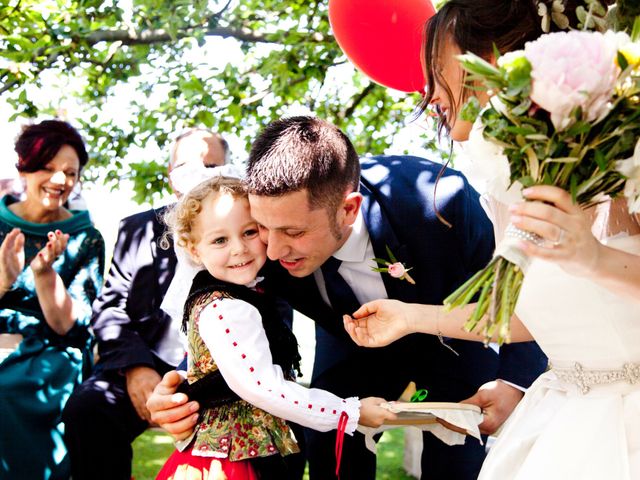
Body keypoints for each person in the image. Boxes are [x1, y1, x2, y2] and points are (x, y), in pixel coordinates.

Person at [148, 116, 548, 479]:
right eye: (264, 229)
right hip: (349, 346)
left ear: (348, 210)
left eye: (294, 233)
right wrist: (190, 386)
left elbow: (523, 289)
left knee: (458, 462)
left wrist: (515, 381)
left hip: (456, 341)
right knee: (330, 448)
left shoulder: (438, 199)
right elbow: (247, 320)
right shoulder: (256, 237)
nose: (271, 251)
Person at [343, 1, 640, 478]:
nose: (427, 86)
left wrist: (594, 257)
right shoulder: (501, 186)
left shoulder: (626, 155)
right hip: (562, 422)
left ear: (501, 61)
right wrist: (410, 318)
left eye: (438, 63)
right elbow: (520, 313)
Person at [156, 175, 394, 479]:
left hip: (258, 445)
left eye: (249, 232)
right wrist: (349, 412)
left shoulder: (238, 295)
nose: (239, 248)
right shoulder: (227, 309)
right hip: (232, 460)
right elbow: (265, 388)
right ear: (193, 249)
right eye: (220, 240)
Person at [62, 128, 229, 480]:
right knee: (87, 408)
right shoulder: (137, 230)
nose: (199, 175)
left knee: (279, 422)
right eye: (186, 166)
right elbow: (110, 309)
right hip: (146, 363)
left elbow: (274, 314)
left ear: (226, 172)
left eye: (210, 165)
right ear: (171, 176)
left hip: (227, 371)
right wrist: (136, 368)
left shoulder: (247, 229)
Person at [0, 119, 105, 479]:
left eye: (70, 172)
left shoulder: (85, 237)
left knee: (8, 391)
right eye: (48, 168)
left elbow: (69, 326)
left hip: (55, 350)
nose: (60, 180)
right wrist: (3, 281)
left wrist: (45, 275)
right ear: (24, 167)